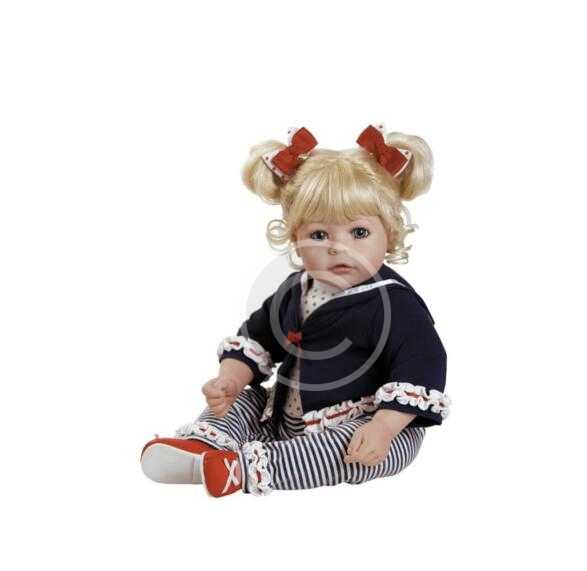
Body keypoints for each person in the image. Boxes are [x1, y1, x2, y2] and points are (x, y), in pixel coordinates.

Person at [140, 123, 450, 498]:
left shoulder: (394, 303)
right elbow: (257, 338)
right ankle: (206, 447)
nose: (338, 248)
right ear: (295, 238)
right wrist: (230, 380)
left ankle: (244, 469)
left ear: (389, 234)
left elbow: (423, 365)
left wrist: (384, 425)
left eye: (359, 233)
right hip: (287, 414)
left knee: (350, 450)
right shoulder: (295, 288)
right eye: (319, 235)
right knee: (247, 399)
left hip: (365, 424)